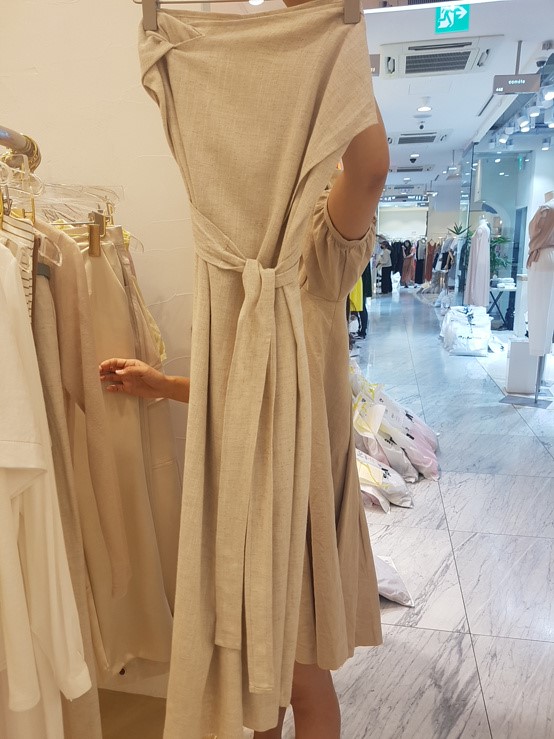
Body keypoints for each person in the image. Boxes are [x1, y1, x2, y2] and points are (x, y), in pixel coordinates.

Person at [101, 106, 388, 739]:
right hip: (249, 498)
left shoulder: (319, 243)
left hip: (300, 497)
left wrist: (339, 58)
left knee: (302, 677)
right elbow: (247, 390)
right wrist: (161, 384)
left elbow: (370, 169)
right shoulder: (237, 257)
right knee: (263, 679)